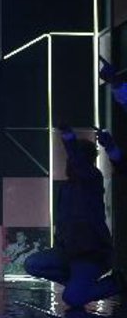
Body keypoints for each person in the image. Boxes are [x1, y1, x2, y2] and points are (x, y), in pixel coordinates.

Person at [23, 127, 124, 308]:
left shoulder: (92, 178)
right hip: (69, 252)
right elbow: (64, 221)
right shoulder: (67, 187)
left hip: (90, 254)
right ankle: (77, 284)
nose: (70, 162)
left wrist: (69, 138)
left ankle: (114, 283)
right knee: (32, 264)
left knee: (72, 298)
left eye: (74, 158)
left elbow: (79, 165)